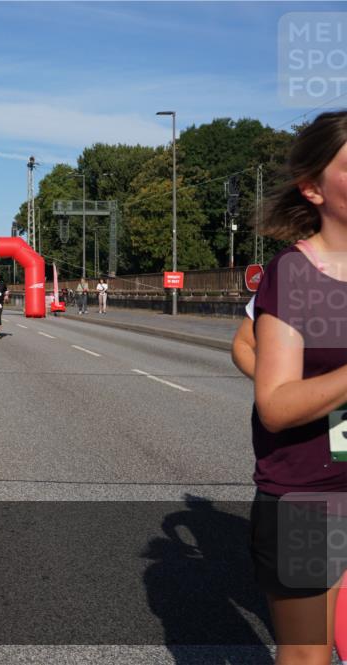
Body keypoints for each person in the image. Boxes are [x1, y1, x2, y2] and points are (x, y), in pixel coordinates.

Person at [249, 110, 347, 664]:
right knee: (309, 655)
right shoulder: (294, 274)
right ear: (312, 189)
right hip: (311, 498)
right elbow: (276, 405)